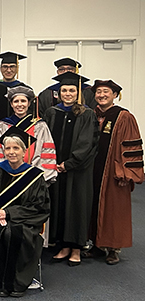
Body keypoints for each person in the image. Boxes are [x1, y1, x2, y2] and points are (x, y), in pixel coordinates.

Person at [0, 128, 50, 297]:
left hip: (23, 220)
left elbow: (40, 208)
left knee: (13, 234)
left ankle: (15, 282)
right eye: (8, 148)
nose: (11, 152)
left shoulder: (35, 176)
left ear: (24, 151)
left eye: (16, 148)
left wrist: (8, 214)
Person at [83, 80, 144, 265]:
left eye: (106, 92)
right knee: (93, 205)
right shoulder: (91, 114)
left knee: (114, 208)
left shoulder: (124, 117)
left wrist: (126, 172)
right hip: (92, 169)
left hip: (113, 170)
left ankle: (114, 248)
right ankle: (96, 244)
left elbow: (131, 146)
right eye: (98, 92)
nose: (101, 95)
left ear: (115, 95)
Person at [44, 72, 99, 266]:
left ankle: (76, 247)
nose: (68, 93)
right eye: (64, 90)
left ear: (78, 93)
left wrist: (69, 163)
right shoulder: (52, 112)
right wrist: (51, 164)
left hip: (78, 169)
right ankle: (63, 245)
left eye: (71, 90)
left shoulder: (86, 114)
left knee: (76, 205)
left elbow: (87, 143)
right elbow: (46, 140)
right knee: (59, 204)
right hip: (56, 168)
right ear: (58, 93)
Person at [0, 86, 57, 184]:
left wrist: (34, 173)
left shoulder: (39, 126)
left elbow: (45, 151)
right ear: (11, 104)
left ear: (29, 103)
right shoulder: (2, 126)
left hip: (32, 177)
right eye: (16, 101)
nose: (20, 104)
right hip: (6, 177)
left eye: (23, 101)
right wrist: (1, 173)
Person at [0, 51, 33, 124]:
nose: (8, 70)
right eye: (5, 67)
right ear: (0, 68)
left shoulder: (26, 89)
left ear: (17, 68)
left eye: (12, 66)